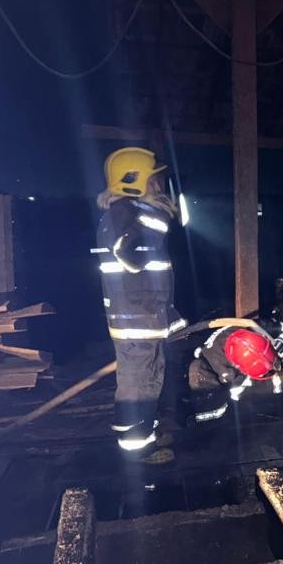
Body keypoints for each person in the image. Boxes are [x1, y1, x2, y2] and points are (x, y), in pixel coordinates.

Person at [95, 147, 185, 462]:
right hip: (137, 321)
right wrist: (157, 216)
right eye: (153, 181)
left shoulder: (128, 212)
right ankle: (137, 453)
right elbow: (129, 254)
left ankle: (146, 434)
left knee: (149, 380)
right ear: (132, 181)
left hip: (144, 318)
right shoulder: (127, 214)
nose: (159, 187)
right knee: (139, 386)